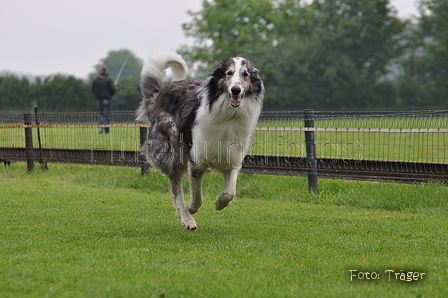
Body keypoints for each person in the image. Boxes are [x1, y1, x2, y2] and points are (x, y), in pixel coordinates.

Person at [92, 65, 116, 133]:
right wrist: (111, 94)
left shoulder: (95, 79)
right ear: (106, 71)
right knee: (107, 114)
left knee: (101, 114)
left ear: (100, 71)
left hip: (99, 100)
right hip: (107, 99)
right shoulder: (109, 79)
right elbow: (113, 89)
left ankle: (101, 126)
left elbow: (93, 89)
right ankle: (106, 128)